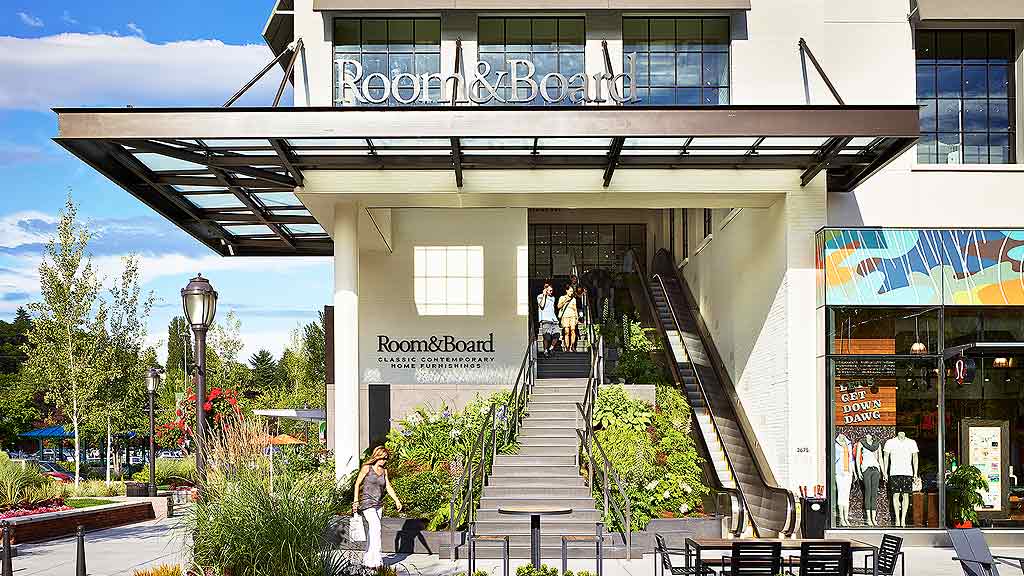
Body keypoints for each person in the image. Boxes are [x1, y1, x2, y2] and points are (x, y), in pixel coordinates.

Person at [352, 447, 402, 568]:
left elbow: (388, 486)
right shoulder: (367, 468)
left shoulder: (384, 471)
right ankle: (377, 561)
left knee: (372, 532)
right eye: (382, 458)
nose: (384, 461)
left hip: (378, 505)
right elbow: (357, 483)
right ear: (377, 456)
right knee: (377, 528)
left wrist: (397, 500)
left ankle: (368, 560)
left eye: (386, 459)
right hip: (367, 504)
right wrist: (356, 500)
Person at [536, 282, 560, 356]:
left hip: (553, 319)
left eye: (552, 290)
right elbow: (542, 305)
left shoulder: (553, 298)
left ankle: (551, 348)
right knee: (546, 337)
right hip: (545, 319)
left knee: (557, 334)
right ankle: (545, 350)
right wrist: (544, 295)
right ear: (545, 290)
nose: (551, 292)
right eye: (550, 290)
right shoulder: (539, 296)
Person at [557, 284, 579, 352]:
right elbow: (558, 306)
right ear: (566, 291)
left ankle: (572, 346)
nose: (571, 292)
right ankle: (567, 347)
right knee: (566, 332)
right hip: (565, 316)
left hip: (572, 316)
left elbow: (575, 309)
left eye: (572, 291)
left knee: (573, 330)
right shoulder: (562, 298)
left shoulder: (574, 299)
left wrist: (576, 317)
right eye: (570, 291)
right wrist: (565, 301)